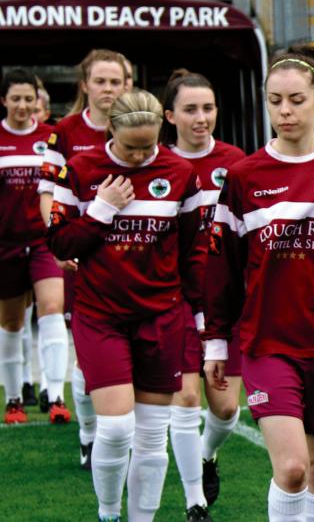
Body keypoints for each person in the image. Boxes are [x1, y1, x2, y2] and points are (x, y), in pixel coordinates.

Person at [203, 49, 314, 522]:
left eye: (295, 100)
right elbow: (222, 267)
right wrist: (215, 343)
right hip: (269, 344)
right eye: (275, 101)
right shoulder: (245, 176)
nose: (285, 111)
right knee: (291, 469)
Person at [47, 90, 204, 522]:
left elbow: (193, 250)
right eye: (130, 146)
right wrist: (101, 210)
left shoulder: (180, 171)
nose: (139, 157)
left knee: (153, 439)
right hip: (101, 316)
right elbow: (60, 243)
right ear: (109, 130)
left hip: (162, 315)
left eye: (148, 146)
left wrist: (202, 317)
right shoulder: (80, 170)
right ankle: (108, 512)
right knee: (115, 429)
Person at [160, 68, 245, 516]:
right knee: (187, 399)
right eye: (190, 109)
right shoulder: (156, 163)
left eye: (207, 108)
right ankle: (195, 501)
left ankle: (208, 456)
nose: (200, 117)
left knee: (227, 409)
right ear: (169, 114)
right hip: (176, 300)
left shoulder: (236, 161)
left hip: (224, 303)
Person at [38, 48, 127, 468]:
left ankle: (136, 434)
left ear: (128, 85)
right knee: (86, 351)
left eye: (117, 81)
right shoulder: (65, 132)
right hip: (84, 255)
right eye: (101, 81)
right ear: (85, 86)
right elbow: (48, 196)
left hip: (131, 259)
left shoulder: (137, 126)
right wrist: (62, 243)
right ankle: (90, 433)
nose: (109, 89)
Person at [0, 68, 70, 425]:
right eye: (16, 99)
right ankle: (14, 401)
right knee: (11, 322)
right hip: (5, 246)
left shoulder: (51, 138)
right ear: (4, 101)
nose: (23, 105)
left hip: (43, 242)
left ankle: (56, 394)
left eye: (29, 98)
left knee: (52, 307)